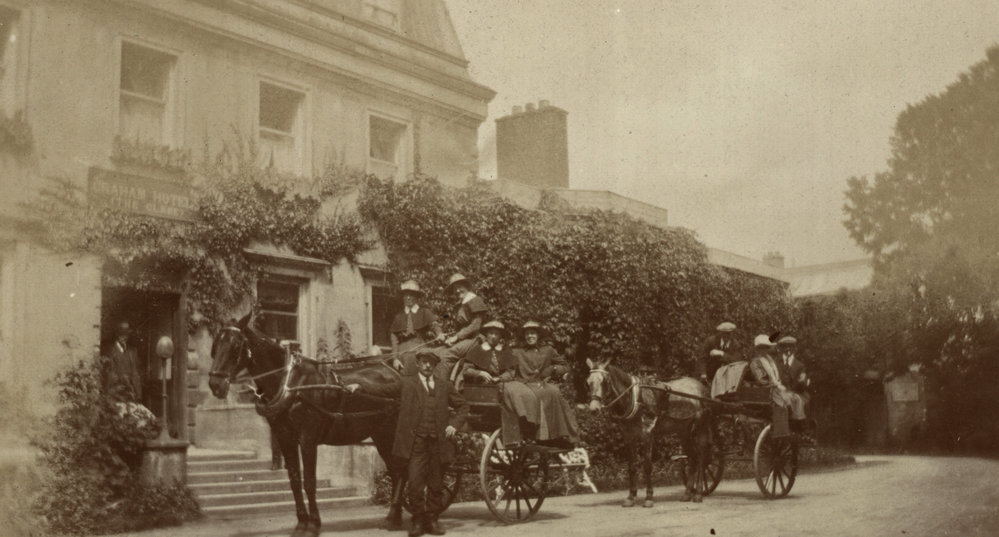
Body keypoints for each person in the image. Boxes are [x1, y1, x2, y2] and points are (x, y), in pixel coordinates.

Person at [351, 352, 468, 536]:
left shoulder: (444, 386)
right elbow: (383, 390)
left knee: (436, 484)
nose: (427, 366)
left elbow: (463, 406)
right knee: (415, 484)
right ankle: (418, 521)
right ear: (419, 364)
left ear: (435, 366)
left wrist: (454, 425)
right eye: (424, 362)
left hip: (438, 443)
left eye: (431, 363)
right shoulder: (406, 383)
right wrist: (361, 385)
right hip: (416, 444)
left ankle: (433, 521)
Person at [501, 321, 579, 447]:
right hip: (525, 384)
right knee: (538, 394)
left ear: (538, 336)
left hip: (542, 383)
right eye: (527, 334)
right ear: (524, 337)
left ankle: (560, 435)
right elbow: (510, 370)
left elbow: (564, 366)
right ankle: (535, 435)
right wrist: (501, 378)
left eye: (533, 334)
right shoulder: (517, 352)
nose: (530, 336)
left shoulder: (548, 350)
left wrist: (553, 369)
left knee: (555, 392)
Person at [747, 334, 806, 439]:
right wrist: (775, 385)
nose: (764, 350)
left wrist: (778, 384)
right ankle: (782, 432)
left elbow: (775, 376)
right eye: (762, 348)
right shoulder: (756, 362)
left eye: (766, 348)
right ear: (758, 349)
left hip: (775, 387)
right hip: (767, 389)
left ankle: (796, 426)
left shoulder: (769, 360)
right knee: (782, 402)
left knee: (795, 398)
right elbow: (761, 379)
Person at [437, 273, 489, 381]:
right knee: (439, 352)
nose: (457, 291)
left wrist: (457, 337)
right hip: (464, 339)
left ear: (467, 287)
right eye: (455, 289)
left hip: (475, 339)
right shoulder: (460, 305)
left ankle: (441, 388)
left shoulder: (475, 300)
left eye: (460, 287)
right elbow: (459, 327)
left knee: (448, 355)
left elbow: (476, 325)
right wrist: (449, 336)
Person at [390, 280, 444, 375]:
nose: (408, 297)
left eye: (411, 295)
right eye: (406, 295)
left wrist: (440, 334)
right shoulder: (398, 316)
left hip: (420, 348)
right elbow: (394, 340)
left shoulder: (424, 312)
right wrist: (395, 359)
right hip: (402, 351)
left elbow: (435, 326)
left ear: (417, 297)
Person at [105, 321, 143, 403]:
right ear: (117, 335)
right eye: (121, 334)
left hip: (131, 394)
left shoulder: (133, 351)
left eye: (126, 334)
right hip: (115, 394)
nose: (124, 337)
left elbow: (136, 374)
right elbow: (109, 373)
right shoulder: (110, 351)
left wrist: (139, 395)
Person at [696, 321, 744, 385]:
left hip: (726, 377)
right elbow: (702, 358)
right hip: (709, 375)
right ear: (721, 333)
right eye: (724, 333)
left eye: (729, 333)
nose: (727, 336)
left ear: (732, 333)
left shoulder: (736, 345)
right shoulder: (710, 341)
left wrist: (722, 354)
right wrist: (703, 373)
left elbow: (735, 361)